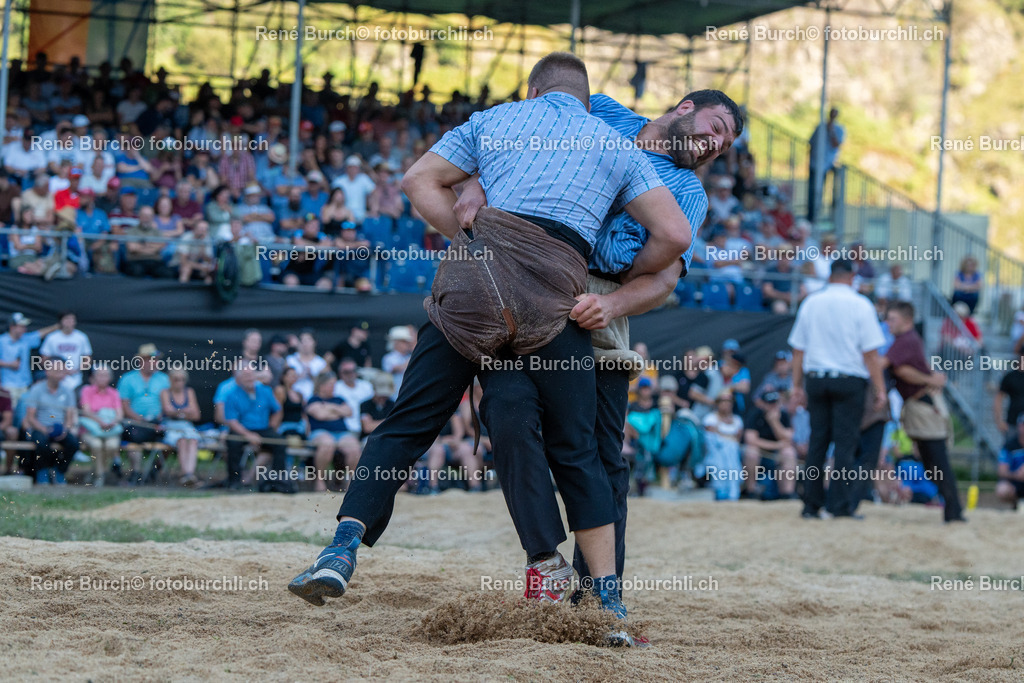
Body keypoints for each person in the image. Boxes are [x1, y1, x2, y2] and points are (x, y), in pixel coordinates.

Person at [288, 52, 696, 637]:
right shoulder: (617, 145)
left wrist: (475, 241)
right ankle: (609, 602)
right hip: (555, 299)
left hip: (473, 286)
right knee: (577, 450)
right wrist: (623, 276)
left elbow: (416, 181)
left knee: (405, 425)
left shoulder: (494, 121)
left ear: (532, 91)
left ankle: (341, 547)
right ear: (586, 98)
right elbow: (675, 234)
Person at [789, 259, 887, 519]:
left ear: (830, 275)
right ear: (852, 276)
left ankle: (811, 505)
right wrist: (880, 389)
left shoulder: (812, 302)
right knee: (845, 444)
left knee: (817, 443)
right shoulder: (861, 305)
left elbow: (798, 350)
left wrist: (796, 386)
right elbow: (871, 353)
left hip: (817, 378)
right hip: (850, 380)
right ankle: (838, 506)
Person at [883, 301, 966, 523]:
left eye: (892, 319)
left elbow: (898, 368)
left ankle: (954, 510)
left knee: (937, 460)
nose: (888, 323)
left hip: (924, 405)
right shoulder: (908, 339)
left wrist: (929, 379)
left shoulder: (906, 339)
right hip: (922, 404)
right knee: (932, 462)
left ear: (907, 321)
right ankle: (953, 510)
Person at [222, 365, 290, 492]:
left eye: (251, 374)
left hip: (263, 428)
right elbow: (232, 421)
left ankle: (276, 481)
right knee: (232, 442)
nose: (249, 378)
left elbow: (277, 410)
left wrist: (272, 426)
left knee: (280, 443)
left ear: (256, 376)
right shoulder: (231, 395)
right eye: (245, 375)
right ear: (238, 378)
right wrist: (248, 435)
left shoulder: (266, 391)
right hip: (241, 429)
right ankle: (234, 481)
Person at [117, 344, 171, 483]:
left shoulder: (164, 379)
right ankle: (136, 472)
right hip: (134, 422)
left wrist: (161, 416)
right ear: (142, 360)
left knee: (172, 437)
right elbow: (124, 405)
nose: (156, 362)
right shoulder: (128, 379)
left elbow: (168, 403)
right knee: (133, 437)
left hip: (157, 423)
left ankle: (154, 469)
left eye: (157, 359)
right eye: (153, 359)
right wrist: (139, 419)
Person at [22, 361, 78, 485]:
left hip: (60, 428)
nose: (60, 374)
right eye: (57, 371)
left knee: (74, 444)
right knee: (41, 443)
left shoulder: (68, 391)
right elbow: (31, 417)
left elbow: (70, 416)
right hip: (40, 427)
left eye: (62, 371)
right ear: (48, 372)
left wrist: (65, 429)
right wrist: (44, 429)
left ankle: (60, 471)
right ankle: (42, 471)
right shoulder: (36, 389)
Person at [306, 371, 361, 493]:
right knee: (327, 443)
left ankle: (351, 481)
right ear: (322, 386)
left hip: (342, 433)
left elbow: (349, 412)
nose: (333, 387)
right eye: (331, 384)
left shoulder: (339, 399)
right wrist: (338, 411)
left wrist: (328, 407)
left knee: (354, 447)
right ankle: (319, 480)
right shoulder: (312, 399)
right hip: (320, 432)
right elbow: (320, 415)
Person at [741, 391, 798, 500]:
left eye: (775, 403)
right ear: (762, 404)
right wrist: (777, 445)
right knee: (751, 452)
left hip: (777, 453)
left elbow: (788, 438)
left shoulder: (784, 415)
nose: (773, 406)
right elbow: (751, 440)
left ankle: (787, 493)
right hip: (761, 453)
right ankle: (751, 491)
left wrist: (774, 422)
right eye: (769, 403)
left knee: (789, 452)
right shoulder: (755, 414)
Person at [78, 365, 123, 487]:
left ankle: (95, 471)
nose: (103, 378)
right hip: (90, 430)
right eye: (100, 375)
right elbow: (86, 411)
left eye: (105, 375)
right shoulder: (87, 391)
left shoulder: (114, 393)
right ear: (94, 377)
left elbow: (119, 414)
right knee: (97, 445)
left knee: (111, 445)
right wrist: (100, 421)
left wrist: (113, 422)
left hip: (110, 430)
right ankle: (100, 475)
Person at [0, 313, 58, 406]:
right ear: (12, 327)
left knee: (24, 416)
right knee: (9, 415)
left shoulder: (25, 339)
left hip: (25, 385)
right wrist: (9, 364)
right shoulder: (2, 341)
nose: (24, 329)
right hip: (7, 386)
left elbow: (40, 333)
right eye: (21, 326)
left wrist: (57, 326)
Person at [160, 369, 201, 487]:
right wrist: (185, 411)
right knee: (181, 441)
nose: (179, 382)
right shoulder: (165, 392)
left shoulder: (189, 392)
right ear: (170, 380)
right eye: (176, 379)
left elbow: (196, 415)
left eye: (182, 380)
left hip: (186, 425)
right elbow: (168, 411)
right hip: (170, 425)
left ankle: (189, 474)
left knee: (193, 441)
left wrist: (177, 412)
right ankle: (185, 475)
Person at [702, 392, 744, 500]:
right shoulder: (710, 418)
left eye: (728, 401)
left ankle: (733, 494)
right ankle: (721, 492)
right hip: (715, 454)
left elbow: (737, 439)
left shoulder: (738, 420)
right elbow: (712, 436)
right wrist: (729, 437)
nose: (726, 404)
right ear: (717, 403)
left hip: (732, 456)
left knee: (732, 451)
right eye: (723, 401)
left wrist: (723, 435)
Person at [808, 107, 844, 223]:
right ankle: (811, 215)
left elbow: (836, 144)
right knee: (813, 190)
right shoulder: (820, 127)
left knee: (824, 190)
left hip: (827, 164)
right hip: (815, 164)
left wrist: (832, 131)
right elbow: (811, 143)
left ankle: (821, 213)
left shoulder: (839, 129)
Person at [39, 311, 92, 391]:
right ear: (61, 321)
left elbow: (87, 359)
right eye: (67, 319)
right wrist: (58, 371)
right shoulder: (52, 337)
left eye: (72, 319)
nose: (69, 322)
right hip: (55, 380)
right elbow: (44, 359)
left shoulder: (81, 337)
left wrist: (76, 370)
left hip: (75, 379)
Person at [995, 414, 1024, 510]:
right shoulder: (1009, 446)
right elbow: (1001, 471)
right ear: (1019, 426)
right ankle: (1015, 504)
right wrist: (1016, 475)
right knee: (1002, 489)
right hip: (1015, 482)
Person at [993, 354, 1024, 437]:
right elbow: (999, 398)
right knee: (1010, 449)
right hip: (1013, 424)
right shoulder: (1010, 376)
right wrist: (999, 421)